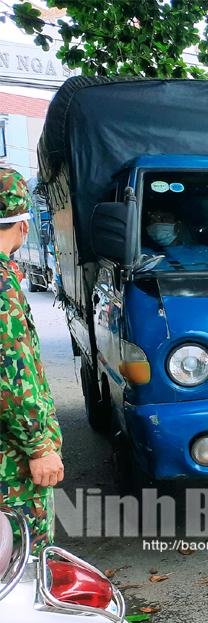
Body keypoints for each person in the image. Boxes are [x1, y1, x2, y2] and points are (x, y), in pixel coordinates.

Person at [0, 167, 64, 554]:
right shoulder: (2, 287)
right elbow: (11, 375)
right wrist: (40, 447)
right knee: (25, 558)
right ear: (23, 227)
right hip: (11, 461)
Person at [141, 209, 208, 270]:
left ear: (178, 226)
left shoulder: (202, 251)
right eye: (153, 221)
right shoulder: (141, 254)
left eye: (163, 219)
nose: (157, 225)